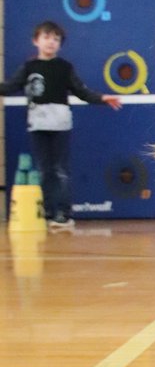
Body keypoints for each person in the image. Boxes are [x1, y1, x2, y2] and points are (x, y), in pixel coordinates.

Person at [0, 19, 122, 229]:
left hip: (60, 124)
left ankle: (64, 214)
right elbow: (10, 86)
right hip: (37, 124)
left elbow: (81, 91)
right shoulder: (30, 67)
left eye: (56, 39)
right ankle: (47, 212)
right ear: (36, 41)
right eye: (46, 37)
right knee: (44, 169)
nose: (51, 42)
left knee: (60, 169)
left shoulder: (64, 67)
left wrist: (102, 98)